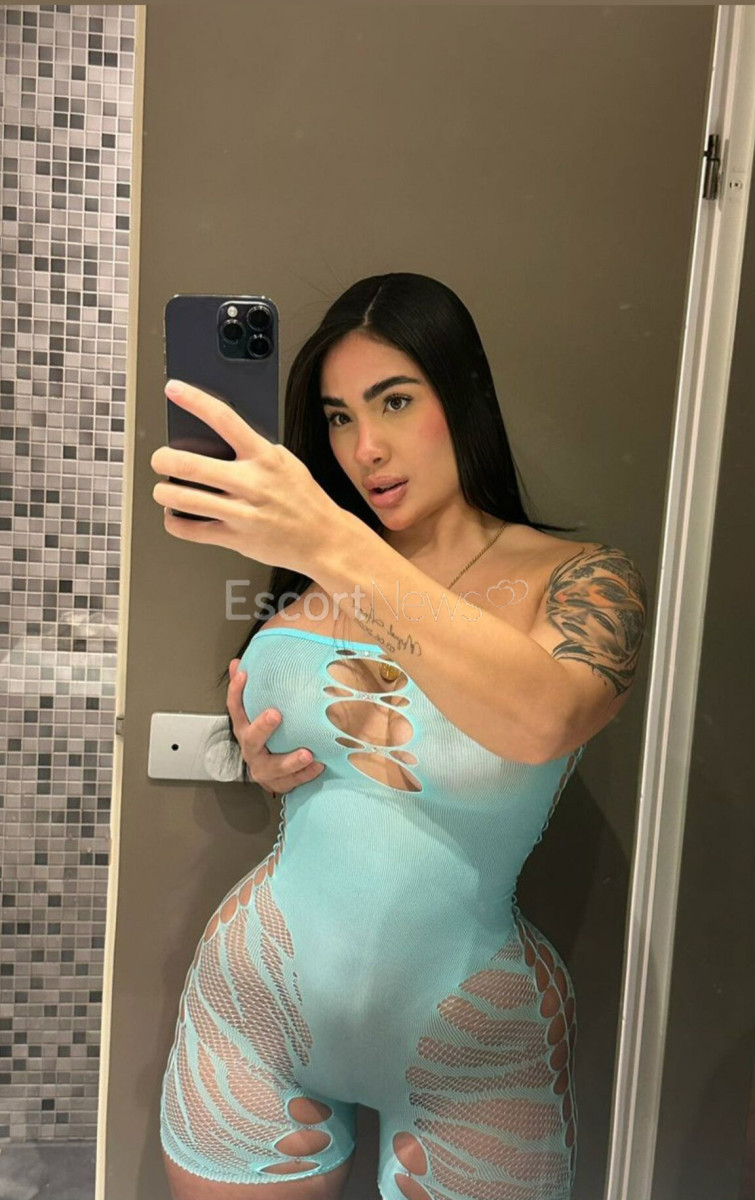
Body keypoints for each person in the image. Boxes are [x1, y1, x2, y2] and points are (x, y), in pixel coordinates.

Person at [156, 272, 648, 1200]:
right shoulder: (307, 573)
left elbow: (544, 717)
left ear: (462, 396)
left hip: (474, 1035)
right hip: (254, 1006)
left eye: (393, 401)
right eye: (338, 418)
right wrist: (266, 762)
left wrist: (330, 543)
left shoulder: (581, 579)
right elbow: (330, 761)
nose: (364, 448)